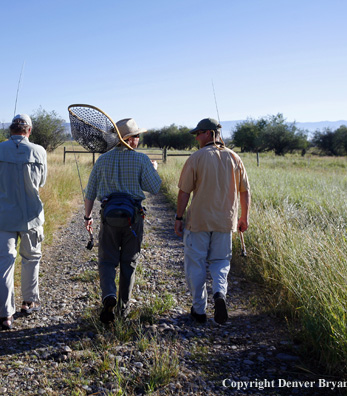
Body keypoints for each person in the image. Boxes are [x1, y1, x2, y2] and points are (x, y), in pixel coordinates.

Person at [84, 118, 162, 323]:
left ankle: (109, 295)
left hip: (109, 218)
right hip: (133, 220)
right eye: (137, 136)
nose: (138, 139)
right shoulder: (142, 160)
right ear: (128, 139)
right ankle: (123, 308)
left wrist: (87, 216)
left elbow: (90, 192)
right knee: (129, 262)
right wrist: (153, 169)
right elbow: (154, 187)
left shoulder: (102, 160)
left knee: (107, 260)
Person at [174, 117, 250, 324]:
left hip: (198, 222)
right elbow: (245, 192)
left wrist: (179, 217)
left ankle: (199, 310)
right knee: (220, 262)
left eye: (198, 133)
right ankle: (219, 294)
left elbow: (184, 193)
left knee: (196, 264)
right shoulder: (235, 158)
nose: (196, 137)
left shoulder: (196, 158)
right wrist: (244, 217)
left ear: (209, 133)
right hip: (226, 222)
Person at [0, 114, 47, 330]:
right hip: (32, 218)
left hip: (4, 220)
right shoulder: (40, 152)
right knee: (31, 259)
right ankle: (28, 302)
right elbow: (42, 182)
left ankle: (5, 314)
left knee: (3, 266)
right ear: (29, 131)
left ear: (11, 130)